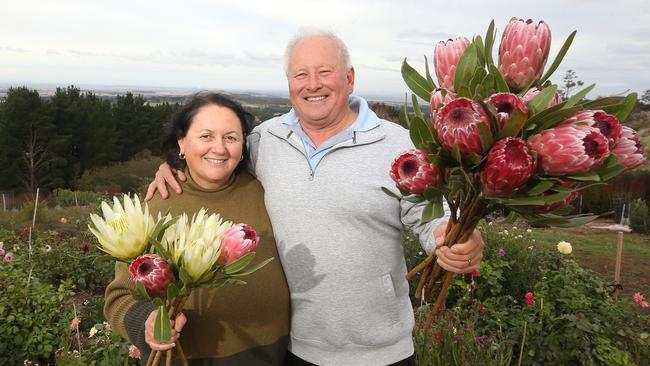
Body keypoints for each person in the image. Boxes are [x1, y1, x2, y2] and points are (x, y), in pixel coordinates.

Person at [147, 30, 484, 366]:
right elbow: (217, 159)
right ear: (289, 82)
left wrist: (451, 237)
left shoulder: (398, 144)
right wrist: (175, 163)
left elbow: (430, 217)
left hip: (381, 352)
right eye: (300, 75)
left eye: (324, 72)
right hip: (295, 348)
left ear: (349, 78)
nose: (313, 84)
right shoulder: (265, 140)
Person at [105, 93, 291, 365]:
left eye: (231, 137)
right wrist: (147, 322)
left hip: (270, 356)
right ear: (182, 142)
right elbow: (118, 297)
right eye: (205, 136)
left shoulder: (266, 192)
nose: (219, 148)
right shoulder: (157, 205)